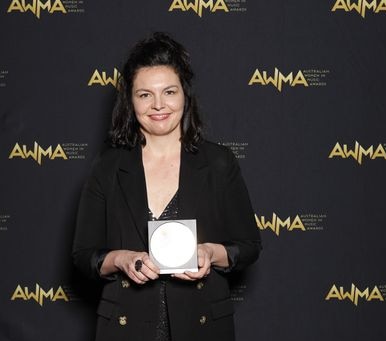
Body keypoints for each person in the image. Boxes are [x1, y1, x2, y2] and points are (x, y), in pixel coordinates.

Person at [72, 32, 261, 341]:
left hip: (203, 325)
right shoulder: (108, 166)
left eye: (169, 92)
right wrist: (120, 260)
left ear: (185, 95)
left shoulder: (219, 162)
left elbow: (249, 246)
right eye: (145, 94)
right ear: (130, 100)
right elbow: (84, 255)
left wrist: (210, 253)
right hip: (125, 326)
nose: (158, 105)